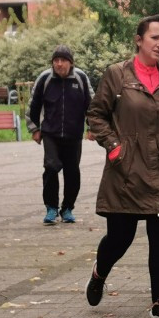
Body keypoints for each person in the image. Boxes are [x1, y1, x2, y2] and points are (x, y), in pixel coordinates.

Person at [83, 15, 159, 318]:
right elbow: (96, 115)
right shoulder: (116, 75)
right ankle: (99, 272)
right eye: (154, 38)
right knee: (120, 238)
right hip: (126, 172)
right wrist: (114, 147)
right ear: (139, 40)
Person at [26, 44, 94, 225]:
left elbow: (91, 104)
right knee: (51, 166)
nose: (59, 64)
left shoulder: (80, 78)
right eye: (56, 60)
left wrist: (92, 127)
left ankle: (67, 208)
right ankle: (51, 208)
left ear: (71, 63)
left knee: (72, 172)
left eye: (63, 60)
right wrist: (34, 129)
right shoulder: (45, 78)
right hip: (51, 133)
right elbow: (33, 104)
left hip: (73, 133)